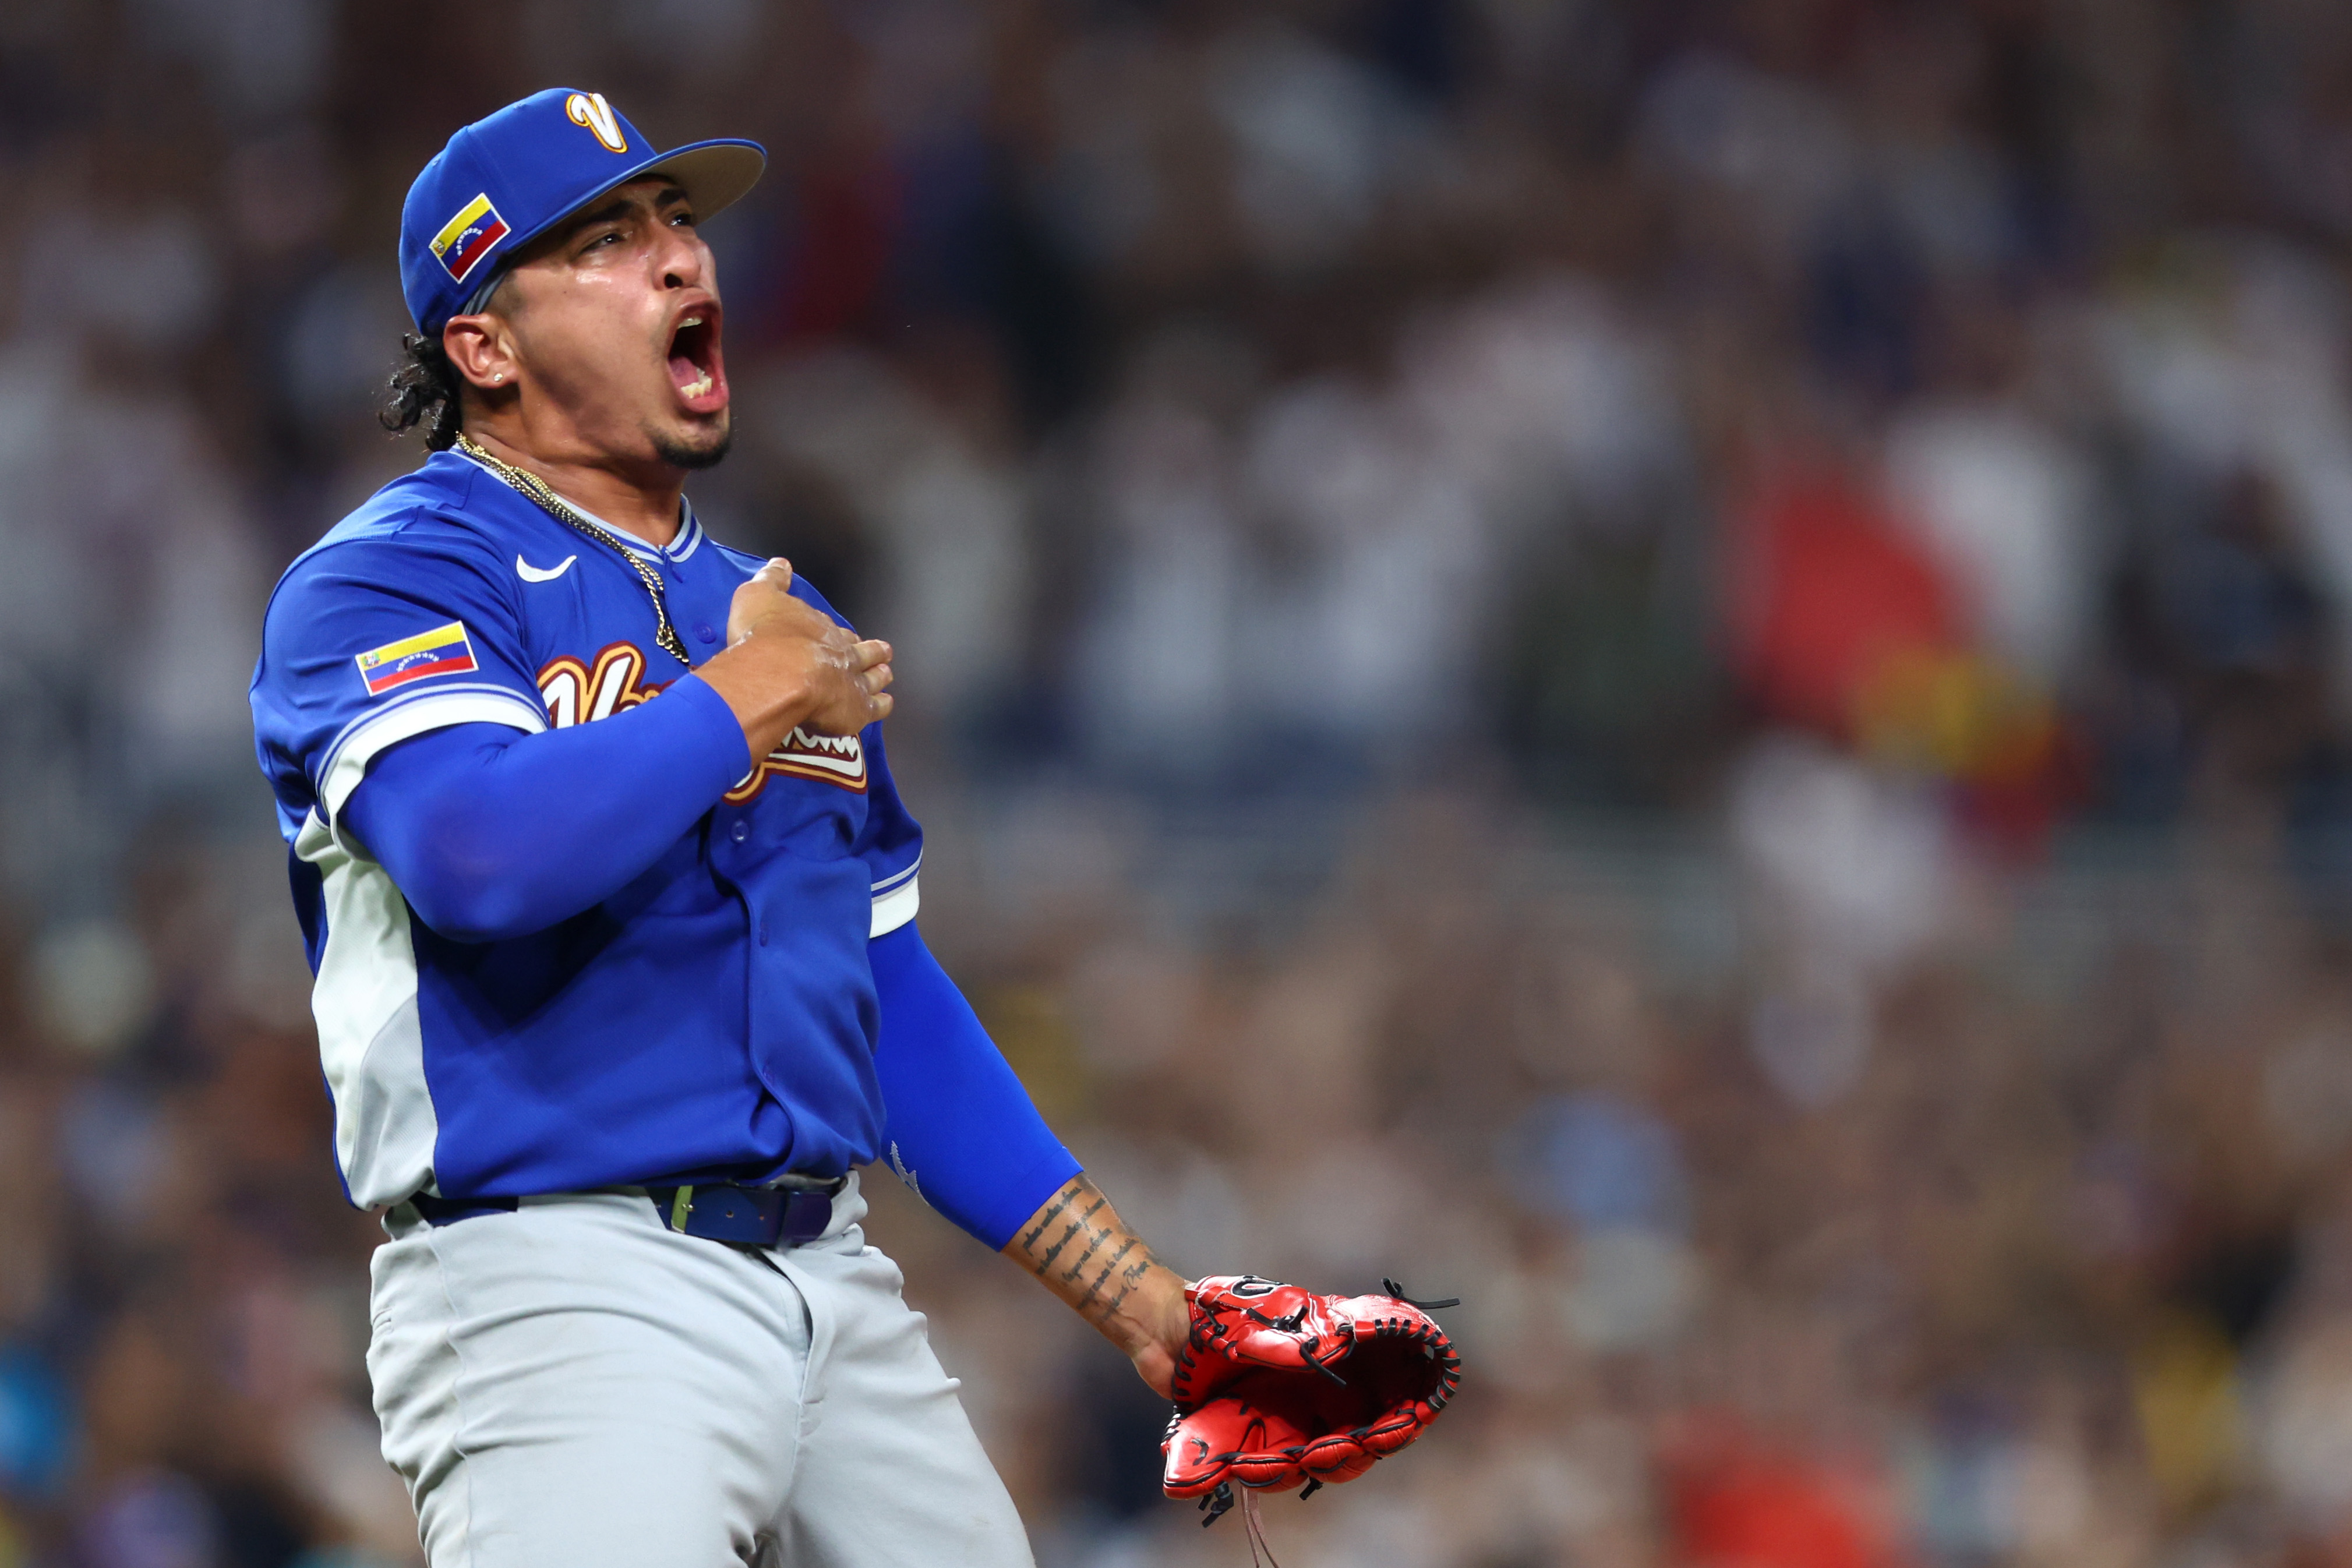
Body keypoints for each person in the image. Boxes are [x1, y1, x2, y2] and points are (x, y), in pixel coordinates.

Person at [248, 89, 1190, 1567]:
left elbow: (880, 994)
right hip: (559, 1279)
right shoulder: (391, 578)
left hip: (835, 1278)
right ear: (484, 347)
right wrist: (748, 690)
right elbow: (479, 857)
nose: (682, 257)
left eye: (677, 221)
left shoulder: (775, 615)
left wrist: (1145, 1301)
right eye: (606, 241)